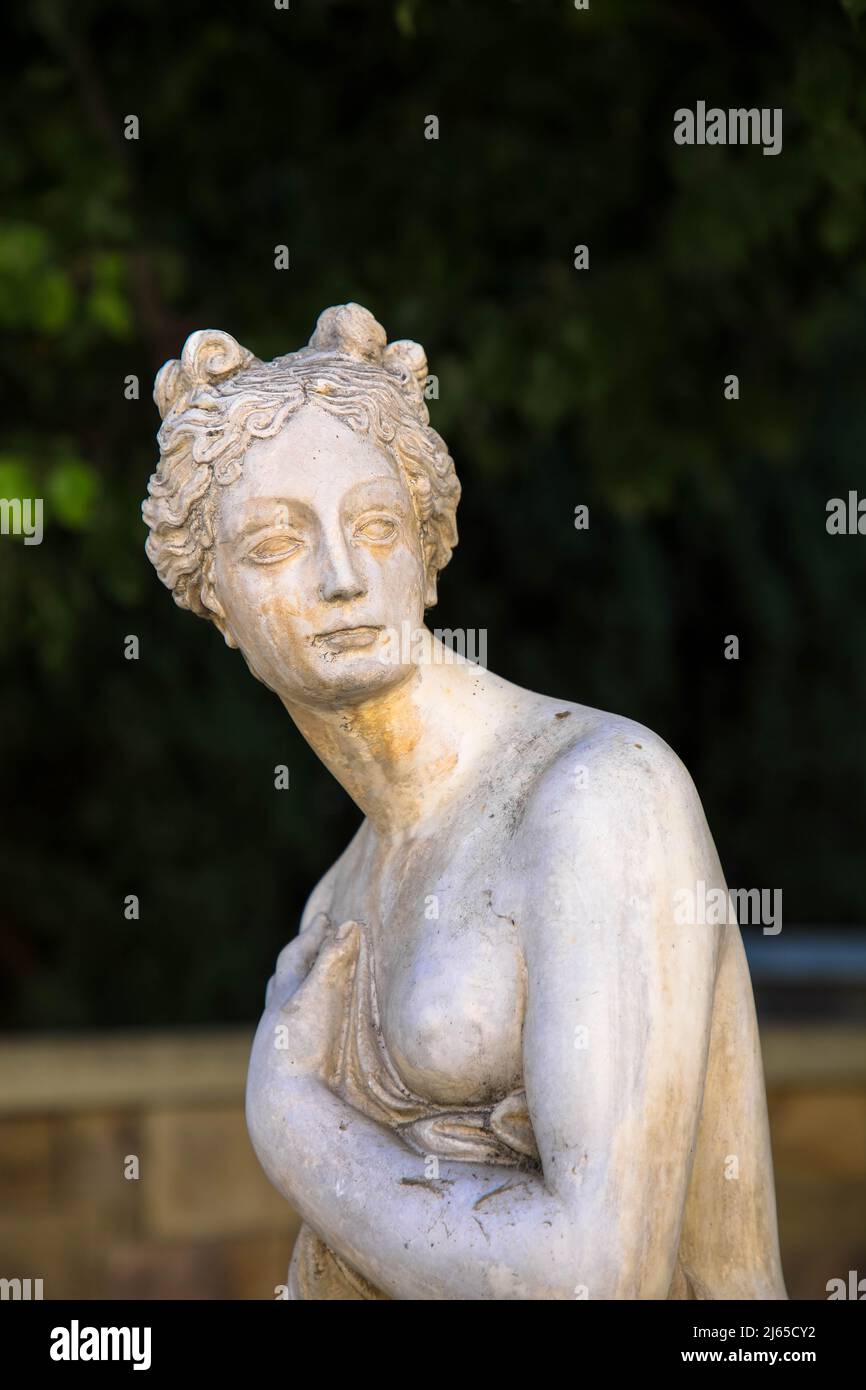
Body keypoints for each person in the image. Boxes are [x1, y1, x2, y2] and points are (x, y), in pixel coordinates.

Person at [143, 302, 787, 1300]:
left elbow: (597, 1277)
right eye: (275, 543)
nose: (343, 578)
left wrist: (301, 1128)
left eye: (375, 525)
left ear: (429, 550)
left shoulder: (598, 793)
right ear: (210, 596)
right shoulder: (336, 904)